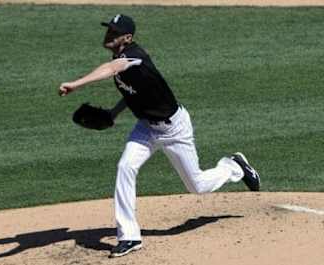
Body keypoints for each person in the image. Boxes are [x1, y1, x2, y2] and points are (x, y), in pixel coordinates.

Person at [58, 14, 260, 258]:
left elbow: (112, 69)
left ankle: (233, 167)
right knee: (125, 167)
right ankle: (129, 236)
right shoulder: (121, 59)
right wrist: (113, 113)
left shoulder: (135, 56)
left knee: (197, 186)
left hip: (174, 129)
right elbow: (132, 92)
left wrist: (76, 84)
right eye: (108, 30)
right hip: (146, 127)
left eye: (114, 32)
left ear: (127, 37)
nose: (108, 35)